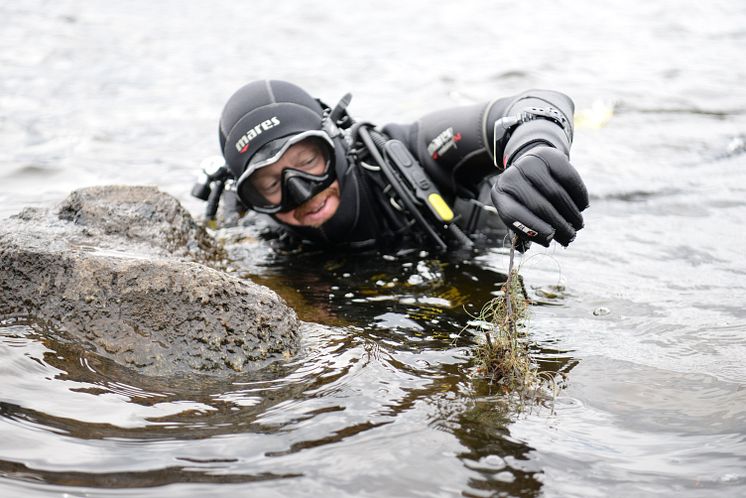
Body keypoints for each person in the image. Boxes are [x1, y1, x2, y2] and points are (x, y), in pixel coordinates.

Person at [200, 79, 588, 252]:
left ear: (335, 138)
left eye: (307, 160)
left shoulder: (409, 151)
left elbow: (537, 103)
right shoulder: (249, 225)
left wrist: (534, 147)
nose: (304, 192)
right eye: (269, 185)